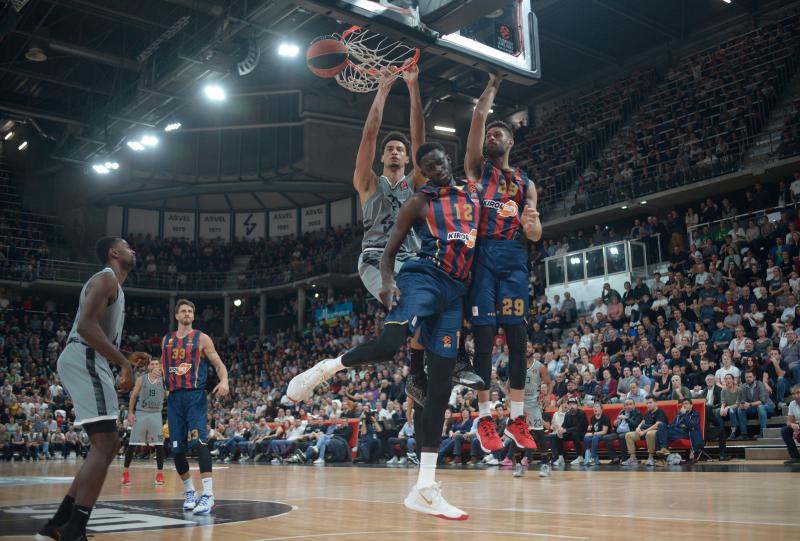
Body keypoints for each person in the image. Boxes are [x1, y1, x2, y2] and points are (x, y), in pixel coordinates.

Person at [288, 142, 479, 520]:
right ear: (420, 171)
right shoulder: (418, 201)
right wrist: (388, 282)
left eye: (438, 160)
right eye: (427, 164)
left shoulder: (466, 199)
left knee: (440, 388)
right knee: (390, 344)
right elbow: (389, 250)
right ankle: (329, 367)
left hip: (453, 292)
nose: (434, 166)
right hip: (420, 278)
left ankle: (425, 487)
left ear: (447, 163)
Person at [351, 68, 479, 402]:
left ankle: (426, 370)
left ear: (409, 160)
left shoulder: (416, 184)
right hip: (378, 260)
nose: (394, 151)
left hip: (416, 260)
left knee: (445, 299)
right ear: (382, 156)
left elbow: (419, 137)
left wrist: (412, 86)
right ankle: (419, 369)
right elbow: (369, 134)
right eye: (389, 148)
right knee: (409, 309)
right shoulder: (367, 183)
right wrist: (381, 91)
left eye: (399, 149)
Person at [36, 237, 149, 541]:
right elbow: (86, 327)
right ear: (114, 252)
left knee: (107, 445)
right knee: (105, 443)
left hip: (89, 357)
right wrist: (123, 364)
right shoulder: (106, 278)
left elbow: (94, 331)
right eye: (127, 246)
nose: (132, 250)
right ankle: (74, 530)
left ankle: (57, 526)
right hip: (84, 357)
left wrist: (125, 356)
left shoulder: (115, 285)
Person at [464, 74, 542, 455]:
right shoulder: (479, 169)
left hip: (513, 259)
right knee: (483, 336)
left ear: (511, 142)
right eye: (489, 133)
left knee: (517, 336)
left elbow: (536, 232)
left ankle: (515, 419)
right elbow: (479, 116)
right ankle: (483, 419)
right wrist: (491, 85)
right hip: (481, 256)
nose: (492, 135)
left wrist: (534, 226)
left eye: (499, 133)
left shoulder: (525, 182)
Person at [162, 298, 230, 515]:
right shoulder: (167, 340)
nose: (187, 314)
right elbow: (168, 370)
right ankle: (190, 491)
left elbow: (218, 364)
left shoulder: (202, 338)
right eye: (183, 311)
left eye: (190, 311)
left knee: (200, 443)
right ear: (176, 315)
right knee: (176, 449)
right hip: (174, 399)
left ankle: (208, 495)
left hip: (195, 397)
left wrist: (225, 381)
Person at [122, 357, 165, 487]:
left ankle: (160, 474)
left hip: (156, 413)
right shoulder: (142, 379)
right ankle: (125, 473)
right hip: (141, 413)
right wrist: (130, 412)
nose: (154, 366)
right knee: (133, 444)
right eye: (152, 364)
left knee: (159, 444)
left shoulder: (164, 380)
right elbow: (134, 396)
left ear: (160, 366)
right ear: (149, 366)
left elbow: (170, 395)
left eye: (157, 364)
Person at [518, 342, 551, 478]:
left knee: (539, 435)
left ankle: (545, 464)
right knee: (518, 435)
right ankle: (519, 465)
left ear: (533, 349)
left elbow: (549, 383)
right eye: (524, 347)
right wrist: (509, 397)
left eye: (529, 347)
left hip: (533, 403)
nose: (527, 349)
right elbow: (509, 383)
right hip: (519, 403)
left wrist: (548, 396)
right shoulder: (517, 365)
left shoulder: (540, 366)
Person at [623, 396, 668, 467]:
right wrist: (638, 427)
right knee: (628, 435)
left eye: (650, 402)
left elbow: (656, 426)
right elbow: (643, 421)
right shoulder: (648, 412)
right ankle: (633, 458)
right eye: (647, 403)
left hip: (655, 433)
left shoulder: (660, 412)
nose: (648, 404)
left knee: (649, 434)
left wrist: (644, 432)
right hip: (645, 432)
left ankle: (651, 457)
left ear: (656, 403)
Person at [545, 398, 587, 466]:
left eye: (573, 404)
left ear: (577, 405)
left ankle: (580, 457)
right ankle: (560, 457)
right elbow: (564, 425)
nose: (572, 406)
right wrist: (560, 429)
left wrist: (566, 430)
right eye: (570, 405)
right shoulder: (567, 414)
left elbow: (578, 428)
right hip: (570, 433)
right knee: (557, 435)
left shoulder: (581, 414)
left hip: (581, 433)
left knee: (575, 434)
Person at [736, 370, 775, 439]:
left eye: (750, 377)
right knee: (740, 409)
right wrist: (742, 404)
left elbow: (762, 401)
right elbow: (742, 401)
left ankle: (763, 432)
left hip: (767, 406)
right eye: (746, 377)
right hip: (754, 407)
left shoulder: (759, 384)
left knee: (760, 407)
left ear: (754, 377)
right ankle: (744, 433)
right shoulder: (743, 386)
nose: (748, 379)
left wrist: (749, 404)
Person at [603, 398, 643, 465]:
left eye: (630, 404)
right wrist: (615, 424)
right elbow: (616, 425)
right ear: (624, 406)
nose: (628, 406)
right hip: (618, 432)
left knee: (622, 436)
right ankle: (615, 458)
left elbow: (635, 425)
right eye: (626, 404)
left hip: (629, 432)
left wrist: (626, 418)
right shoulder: (621, 412)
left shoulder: (637, 413)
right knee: (605, 437)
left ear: (634, 405)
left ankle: (624, 459)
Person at [781, 385, 800, 465]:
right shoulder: (792, 404)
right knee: (785, 430)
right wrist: (793, 425)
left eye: (798, 393)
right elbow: (789, 421)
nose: (796, 395)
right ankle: (795, 457)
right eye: (793, 394)